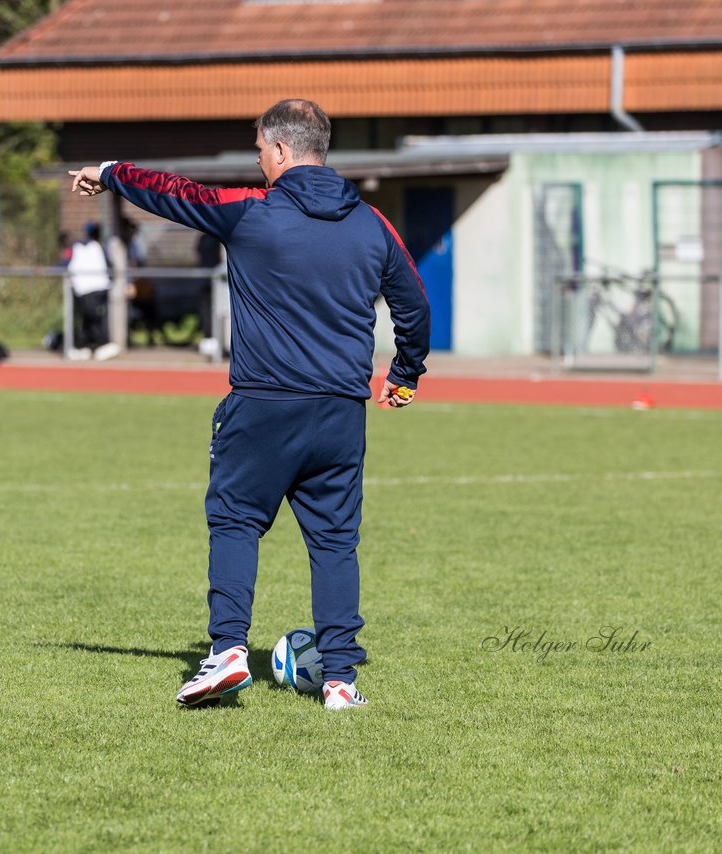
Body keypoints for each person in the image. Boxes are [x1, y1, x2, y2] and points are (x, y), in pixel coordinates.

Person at [70, 98, 430, 711]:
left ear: (282, 151)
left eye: (261, 150)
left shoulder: (252, 212)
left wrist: (109, 171)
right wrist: (405, 375)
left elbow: (174, 193)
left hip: (263, 404)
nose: (259, 161)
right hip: (342, 412)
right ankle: (341, 681)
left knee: (236, 521)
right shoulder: (372, 222)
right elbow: (414, 305)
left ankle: (228, 652)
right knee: (336, 542)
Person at [65, 222, 120, 360]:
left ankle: (94, 344)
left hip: (89, 289)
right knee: (93, 319)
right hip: (92, 289)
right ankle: (90, 345)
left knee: (92, 319)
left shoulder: (86, 246)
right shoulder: (95, 247)